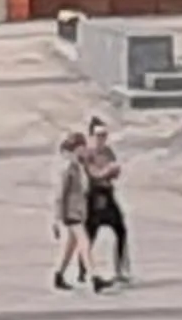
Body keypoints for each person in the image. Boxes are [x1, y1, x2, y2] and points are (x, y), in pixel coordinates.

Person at [80, 117, 130, 287]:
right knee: (90, 234)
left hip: (108, 193)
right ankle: (83, 270)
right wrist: (107, 170)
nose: (102, 139)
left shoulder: (108, 152)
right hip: (94, 196)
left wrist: (114, 172)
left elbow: (114, 171)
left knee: (121, 230)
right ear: (91, 136)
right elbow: (93, 174)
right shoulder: (88, 154)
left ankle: (120, 268)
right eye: (99, 135)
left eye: (104, 135)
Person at [52, 131, 102, 293]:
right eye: (81, 147)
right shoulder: (68, 168)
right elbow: (60, 195)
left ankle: (59, 275)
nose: (84, 149)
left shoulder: (78, 166)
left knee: (71, 245)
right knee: (84, 243)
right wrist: (57, 218)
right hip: (70, 213)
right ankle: (94, 277)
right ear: (75, 148)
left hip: (78, 212)